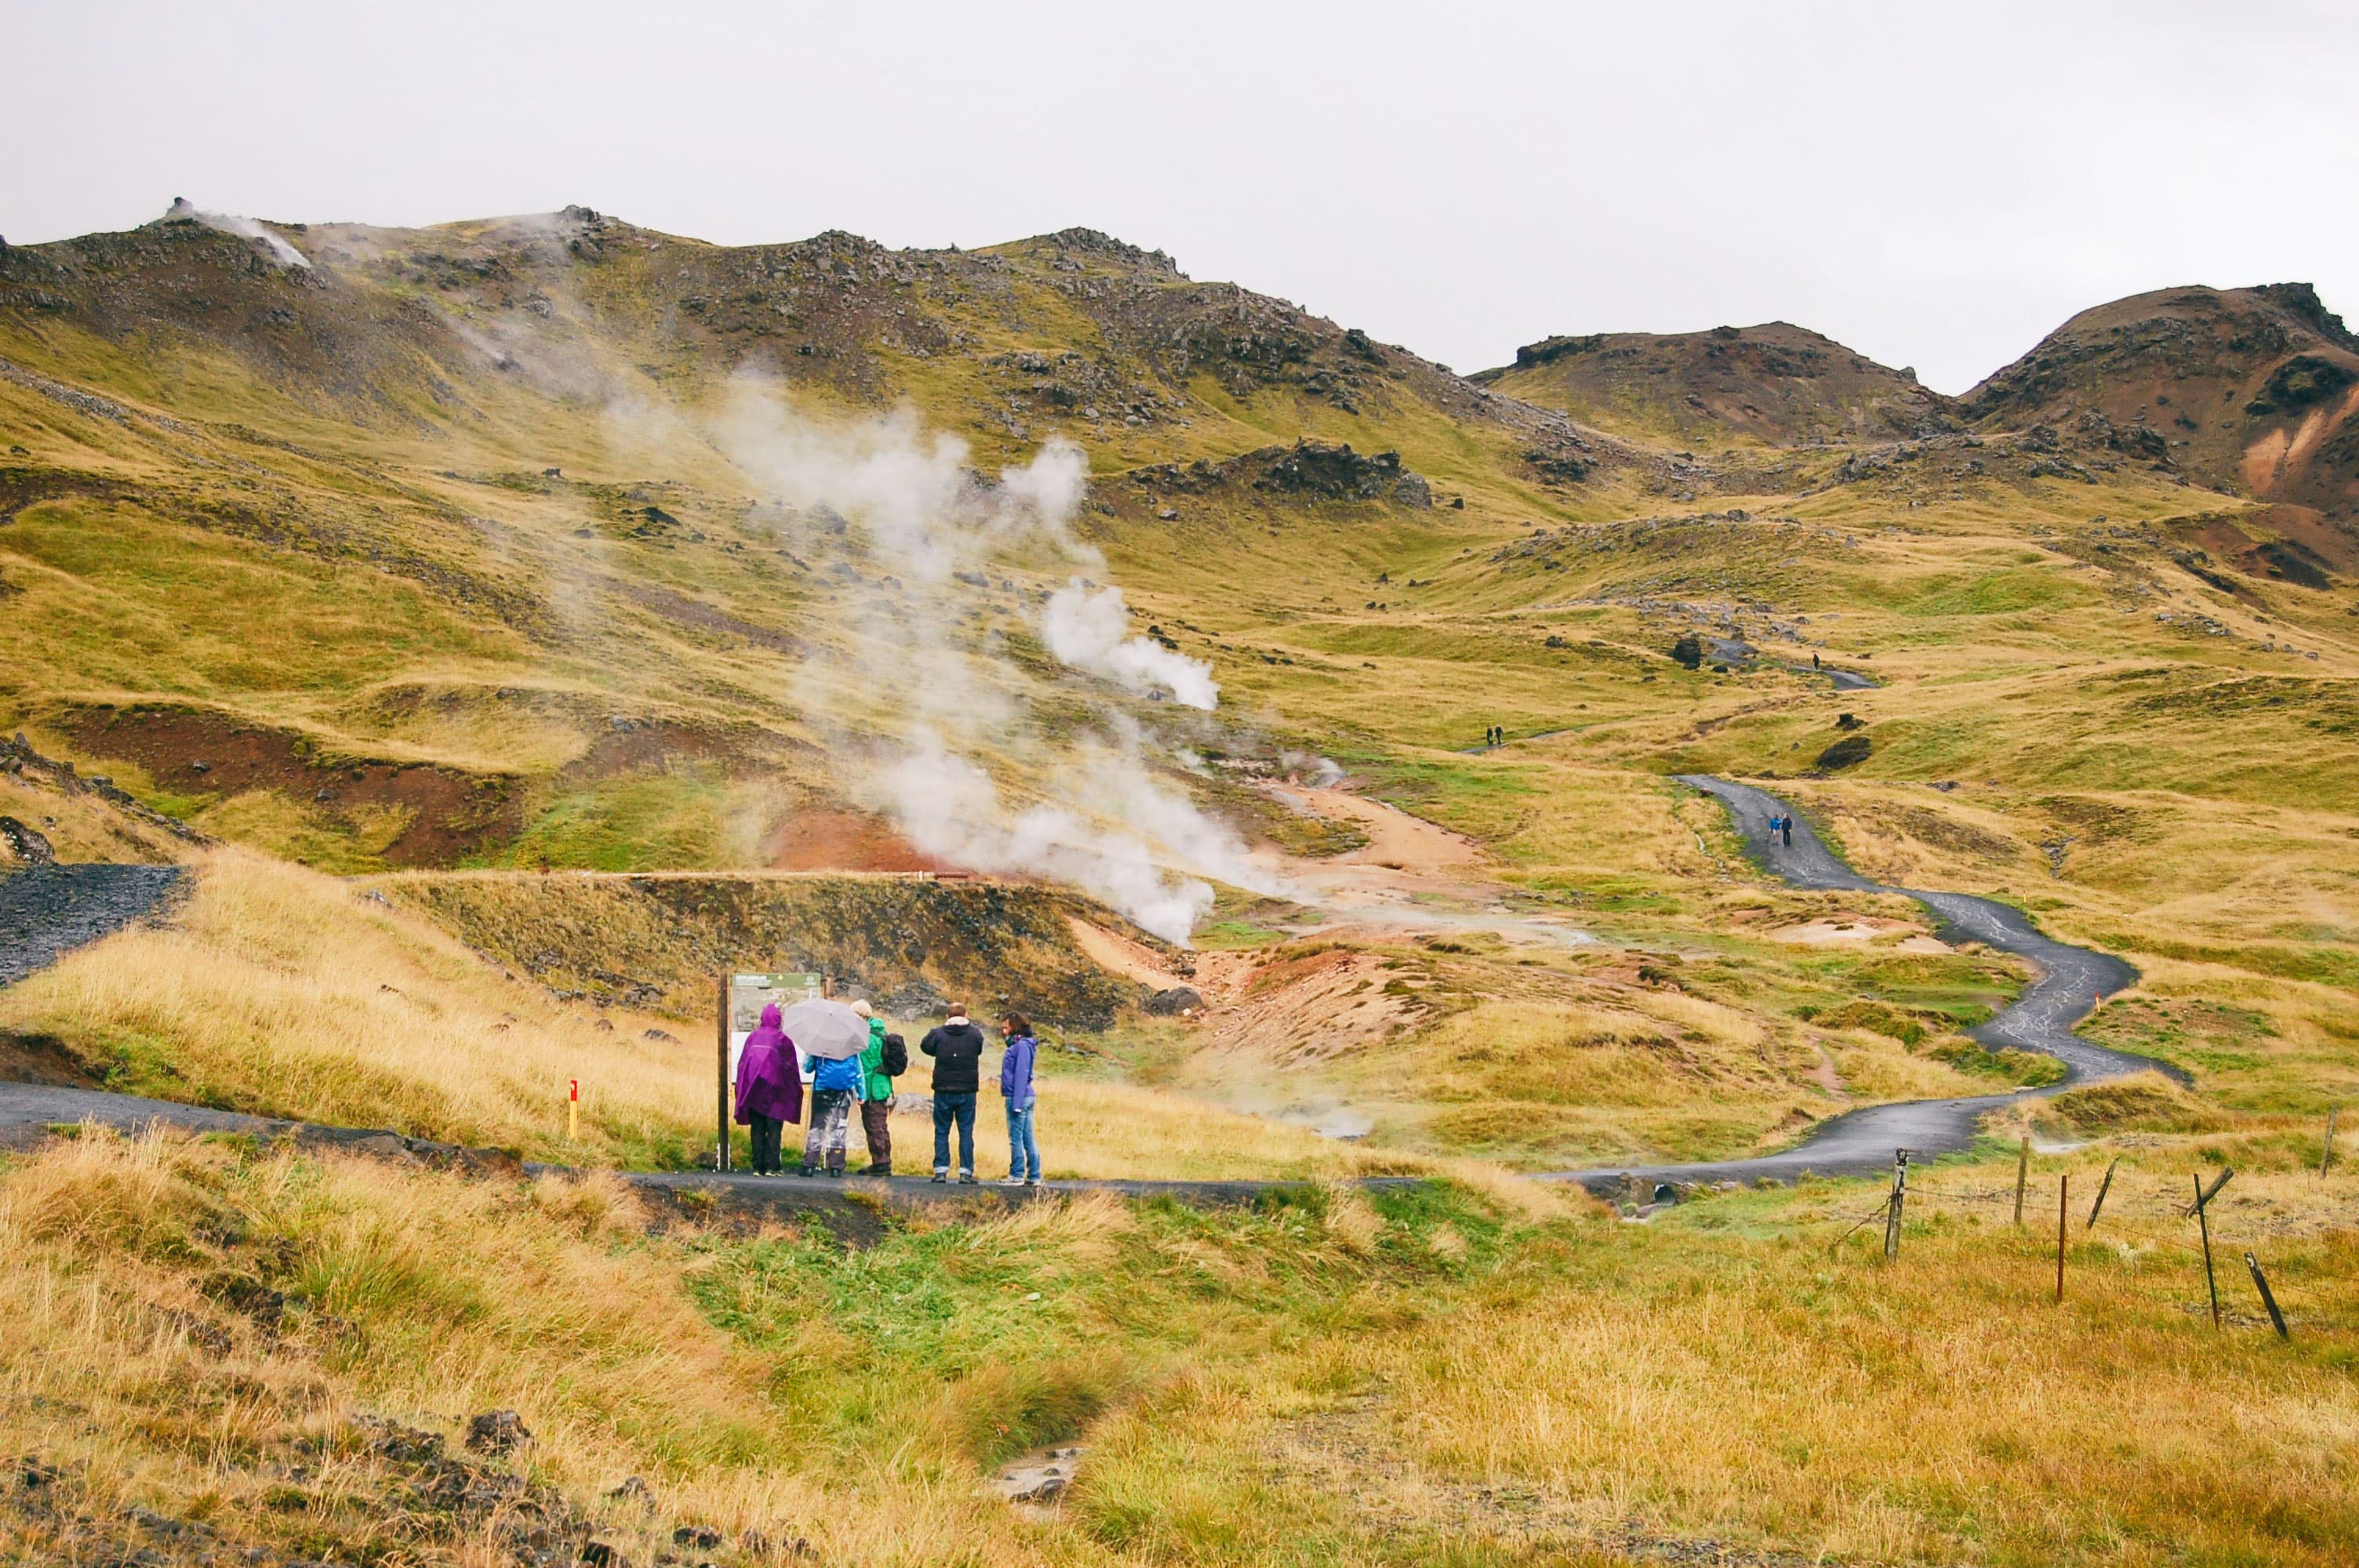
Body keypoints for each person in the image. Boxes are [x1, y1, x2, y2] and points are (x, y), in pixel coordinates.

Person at [732, 1002, 801, 1175]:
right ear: (778, 1020)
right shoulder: (783, 1040)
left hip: (753, 1090)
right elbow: (791, 1068)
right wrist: (794, 1092)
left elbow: (743, 1064)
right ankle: (773, 1166)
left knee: (758, 1128)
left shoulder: (753, 1037)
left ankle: (757, 1166)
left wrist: (742, 1089)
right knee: (774, 1128)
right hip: (776, 1092)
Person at [921, 1003, 985, 1183]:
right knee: (966, 1131)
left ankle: (940, 1171)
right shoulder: (974, 1033)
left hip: (943, 1089)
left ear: (947, 1016)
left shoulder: (938, 1033)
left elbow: (925, 1047)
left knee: (942, 1131)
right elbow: (979, 1049)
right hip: (967, 1089)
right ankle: (966, 1172)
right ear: (966, 1014)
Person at [801, 1033, 863, 1178]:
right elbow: (858, 1072)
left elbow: (807, 1068)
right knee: (839, 1127)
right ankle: (836, 1166)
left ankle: (809, 1164)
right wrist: (862, 1094)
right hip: (845, 1091)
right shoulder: (851, 1045)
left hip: (822, 1089)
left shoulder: (819, 1042)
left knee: (818, 1126)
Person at [851, 999, 900, 1176]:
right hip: (883, 1085)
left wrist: (858, 1088)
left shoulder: (866, 1037)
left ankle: (880, 1163)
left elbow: (864, 1066)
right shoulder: (880, 1032)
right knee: (880, 1124)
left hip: (872, 1088)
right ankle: (884, 1160)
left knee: (874, 1124)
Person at [999, 1011, 1041, 1187]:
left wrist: (1016, 1103)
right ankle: (1034, 1174)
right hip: (1025, 1097)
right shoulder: (1020, 1046)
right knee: (1027, 1137)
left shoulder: (1021, 1046)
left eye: (1006, 1027)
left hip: (1019, 1098)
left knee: (1016, 1138)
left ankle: (1017, 1174)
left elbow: (1021, 1074)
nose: (1003, 1031)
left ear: (1014, 1028)